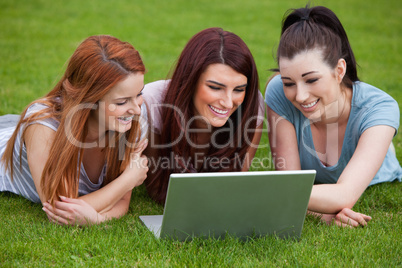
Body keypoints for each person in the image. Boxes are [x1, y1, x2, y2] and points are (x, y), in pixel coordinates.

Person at [265, 5, 402, 227]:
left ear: (339, 71)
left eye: (311, 80)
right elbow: (290, 182)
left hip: (376, 178)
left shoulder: (379, 108)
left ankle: (385, 149)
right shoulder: (278, 93)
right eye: (288, 82)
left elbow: (344, 194)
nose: (300, 96)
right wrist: (327, 215)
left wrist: (272, 195)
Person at [0, 35, 149, 226]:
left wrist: (97, 219)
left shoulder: (132, 117)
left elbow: (121, 201)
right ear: (88, 99)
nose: (136, 109)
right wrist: (129, 179)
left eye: (139, 94)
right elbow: (59, 210)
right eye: (121, 102)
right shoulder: (42, 126)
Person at [143, 27, 265, 204]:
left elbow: (232, 186)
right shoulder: (152, 102)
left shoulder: (251, 104)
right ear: (190, 80)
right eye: (215, 87)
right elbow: (158, 190)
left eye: (239, 90)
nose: (229, 103)